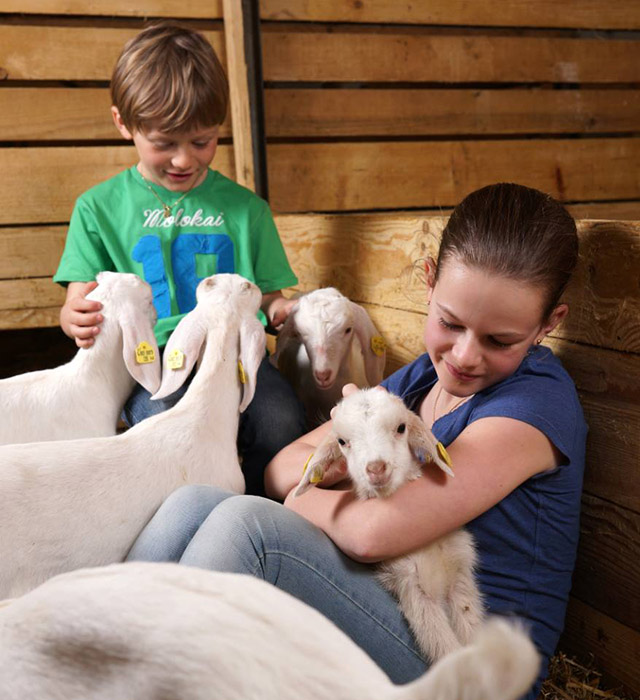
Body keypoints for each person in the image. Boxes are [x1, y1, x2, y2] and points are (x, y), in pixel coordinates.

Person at [127, 183, 587, 699]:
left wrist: (331, 478)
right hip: (386, 596)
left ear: (549, 323)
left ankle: (140, 682)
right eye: (450, 323)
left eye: (499, 340)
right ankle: (105, 644)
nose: (464, 355)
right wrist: (356, 461)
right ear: (430, 282)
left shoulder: (535, 407)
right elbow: (283, 467)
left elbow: (370, 533)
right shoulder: (418, 381)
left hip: (462, 654)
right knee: (195, 504)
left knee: (247, 526)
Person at [53, 22, 306, 496]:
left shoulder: (246, 210)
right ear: (123, 123)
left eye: (202, 141)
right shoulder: (97, 208)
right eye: (164, 144)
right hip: (150, 363)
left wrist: (283, 312)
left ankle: (248, 509)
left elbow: (269, 299)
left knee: (281, 418)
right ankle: (174, 516)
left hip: (238, 358)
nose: (184, 160)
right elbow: (77, 300)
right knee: (162, 424)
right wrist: (74, 316)